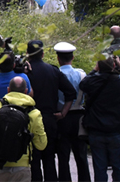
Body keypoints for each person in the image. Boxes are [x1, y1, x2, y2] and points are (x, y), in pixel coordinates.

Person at [0, 77, 47, 182]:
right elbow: (41, 145)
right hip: (21, 167)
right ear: (26, 91)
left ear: (8, 90)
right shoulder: (34, 114)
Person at [25, 40, 77, 182]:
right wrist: (64, 112)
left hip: (29, 119)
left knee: (33, 159)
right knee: (49, 159)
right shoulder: (53, 70)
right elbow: (71, 93)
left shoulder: (25, 73)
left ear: (28, 54)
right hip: (49, 119)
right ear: (42, 54)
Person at [80, 57, 120, 182]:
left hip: (97, 130)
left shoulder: (93, 81)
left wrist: (94, 70)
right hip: (118, 130)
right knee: (119, 167)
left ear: (98, 67)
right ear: (113, 66)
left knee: (100, 167)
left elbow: (83, 84)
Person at [53, 42, 90, 182]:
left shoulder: (56, 75)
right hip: (79, 116)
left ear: (58, 58)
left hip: (61, 117)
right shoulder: (81, 74)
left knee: (63, 155)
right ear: (73, 57)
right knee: (81, 154)